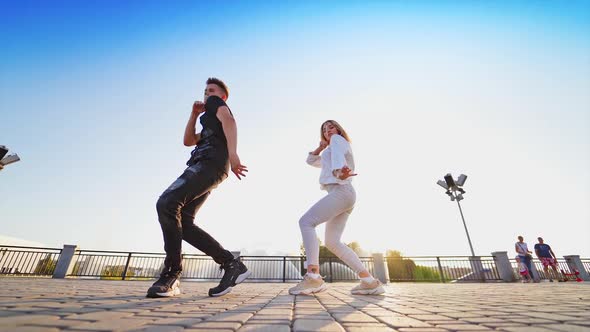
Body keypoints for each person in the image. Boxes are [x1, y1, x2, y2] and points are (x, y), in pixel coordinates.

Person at [147, 78, 250, 298]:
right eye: (205, 91)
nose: (207, 94)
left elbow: (230, 121)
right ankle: (231, 264)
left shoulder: (216, 104)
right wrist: (194, 115)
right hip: (207, 167)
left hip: (208, 165)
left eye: (212, 91)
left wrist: (233, 155)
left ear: (222, 96)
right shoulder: (208, 121)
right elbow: (188, 140)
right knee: (183, 221)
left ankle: (171, 273)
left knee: (166, 203)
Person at [289, 120, 385, 295]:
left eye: (331, 127)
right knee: (332, 242)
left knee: (306, 222)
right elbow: (310, 161)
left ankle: (313, 277)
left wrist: (339, 171)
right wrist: (320, 148)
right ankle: (369, 281)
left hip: (341, 191)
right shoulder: (329, 151)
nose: (328, 131)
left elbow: (339, 164)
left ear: (339, 129)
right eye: (324, 130)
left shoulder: (337, 141)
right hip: (345, 194)